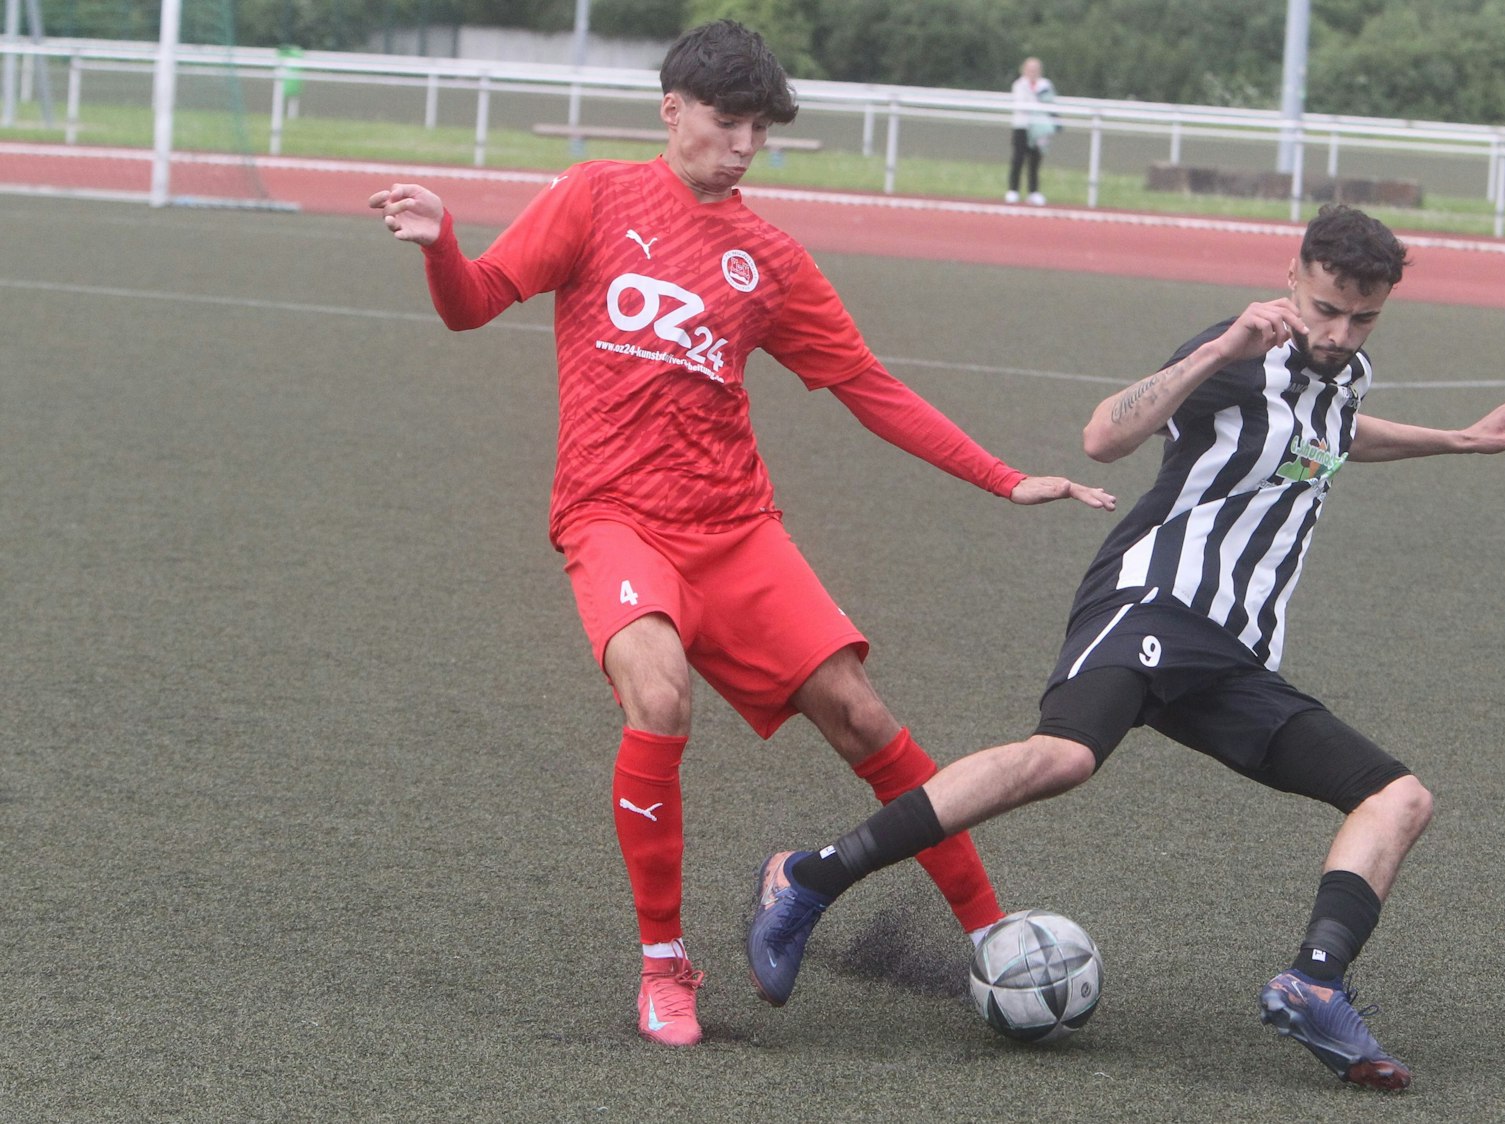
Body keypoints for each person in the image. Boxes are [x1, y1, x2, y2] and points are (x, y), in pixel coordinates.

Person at [366, 19, 1114, 1050]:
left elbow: (865, 385)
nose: (746, 144)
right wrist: (445, 242)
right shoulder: (595, 197)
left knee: (858, 713)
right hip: (614, 517)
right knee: (659, 689)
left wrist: (1000, 476)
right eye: (728, 122)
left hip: (736, 528)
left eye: (761, 128)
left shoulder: (770, 256)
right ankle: (665, 964)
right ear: (671, 108)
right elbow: (475, 303)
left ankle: (991, 930)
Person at [744, 204, 1505, 1092]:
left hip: (1234, 653)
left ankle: (1313, 983)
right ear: (1293, 277)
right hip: (1154, 601)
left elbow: (1334, 433)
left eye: (1362, 317)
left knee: (1397, 798)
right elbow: (1104, 434)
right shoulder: (1237, 355)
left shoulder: (1344, 370)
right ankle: (809, 878)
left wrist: (1456, 439)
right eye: (1325, 308)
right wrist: (1215, 350)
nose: (1338, 331)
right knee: (1064, 757)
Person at [1005, 57, 1055, 206]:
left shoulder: (1046, 84)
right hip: (1022, 126)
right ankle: (1013, 190)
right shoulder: (1019, 85)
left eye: (1035, 69)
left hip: (1039, 128)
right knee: (1018, 159)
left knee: (1036, 160)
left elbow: (1049, 102)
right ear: (1024, 70)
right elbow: (1021, 104)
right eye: (1030, 69)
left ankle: (1034, 192)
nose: (1032, 72)